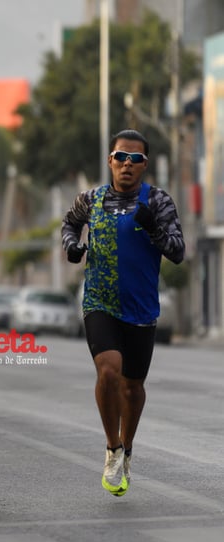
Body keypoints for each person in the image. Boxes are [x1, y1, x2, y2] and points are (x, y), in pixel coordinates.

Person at [61, 129, 184, 497]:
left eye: (135, 159)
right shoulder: (91, 199)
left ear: (145, 165)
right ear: (110, 161)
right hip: (99, 301)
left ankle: (127, 448)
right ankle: (112, 447)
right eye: (120, 157)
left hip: (141, 308)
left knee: (132, 387)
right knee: (108, 370)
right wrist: (72, 245)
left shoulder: (158, 202)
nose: (126, 165)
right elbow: (69, 223)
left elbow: (177, 251)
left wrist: (153, 227)